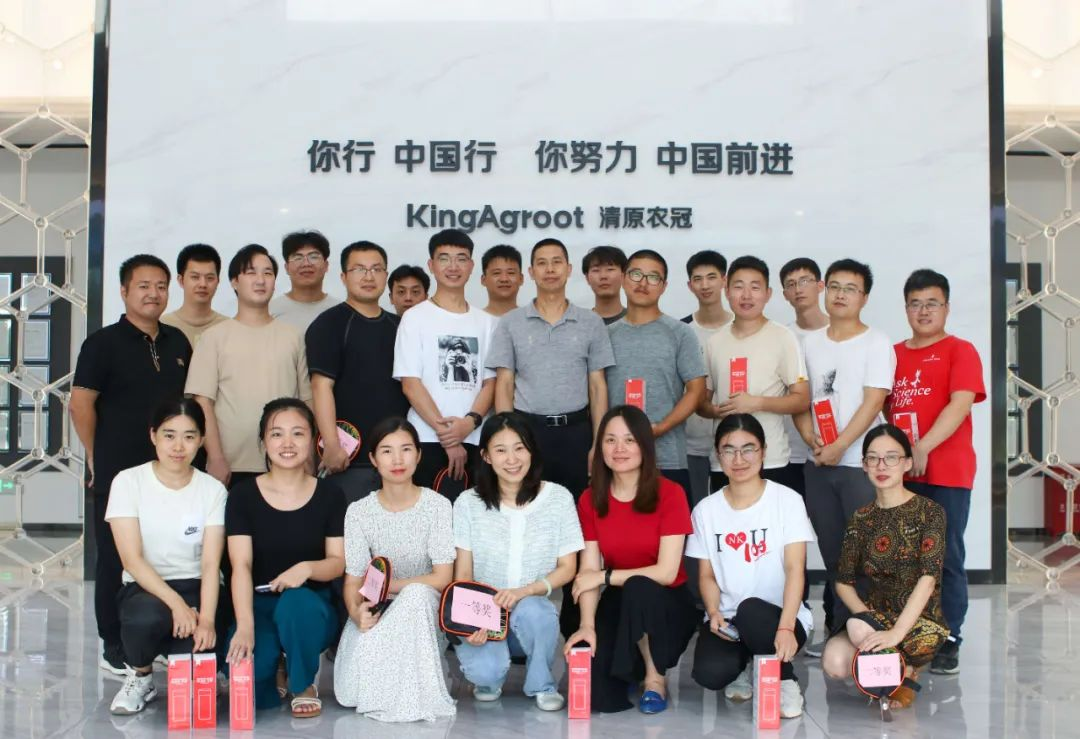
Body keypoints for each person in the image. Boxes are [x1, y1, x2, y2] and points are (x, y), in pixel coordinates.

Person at [71, 254, 192, 676]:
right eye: (143, 286)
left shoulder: (178, 342)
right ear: (124, 291)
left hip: (170, 474)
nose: (153, 293)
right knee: (114, 559)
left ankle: (153, 640)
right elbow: (80, 404)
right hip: (118, 472)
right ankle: (115, 645)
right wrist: (95, 454)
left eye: (160, 286)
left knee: (161, 555)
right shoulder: (102, 343)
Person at [564, 405, 697, 714]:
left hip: (665, 604)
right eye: (610, 440)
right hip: (620, 600)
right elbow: (588, 571)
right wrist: (587, 626)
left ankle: (654, 678)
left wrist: (605, 576)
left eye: (629, 440)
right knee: (598, 698)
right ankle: (630, 667)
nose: (619, 449)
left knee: (639, 587)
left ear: (644, 446)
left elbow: (666, 572)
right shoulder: (590, 498)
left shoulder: (671, 493)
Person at [453, 412, 583, 710]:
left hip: (530, 607)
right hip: (485, 610)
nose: (512, 459)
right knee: (485, 674)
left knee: (538, 611)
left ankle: (542, 683)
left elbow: (568, 567)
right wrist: (470, 620)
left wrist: (525, 591)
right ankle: (490, 676)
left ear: (532, 451)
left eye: (519, 448)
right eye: (500, 450)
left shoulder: (558, 498)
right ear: (486, 456)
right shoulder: (468, 503)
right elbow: (463, 573)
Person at [687, 413, 813, 719]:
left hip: (779, 617)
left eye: (748, 449)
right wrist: (714, 612)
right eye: (729, 450)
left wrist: (786, 626)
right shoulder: (706, 510)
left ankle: (784, 678)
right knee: (710, 673)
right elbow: (706, 576)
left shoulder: (787, 500)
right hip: (729, 619)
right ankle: (747, 664)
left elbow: (795, 569)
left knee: (752, 611)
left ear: (763, 451)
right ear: (718, 455)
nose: (739, 459)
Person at [890, 269, 985, 674]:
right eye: (916, 303)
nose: (924, 311)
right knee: (903, 558)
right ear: (906, 308)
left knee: (945, 556)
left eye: (932, 303)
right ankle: (908, 631)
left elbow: (960, 404)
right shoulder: (892, 354)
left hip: (947, 473)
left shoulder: (960, 350)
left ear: (946, 307)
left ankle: (948, 637)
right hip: (901, 476)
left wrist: (923, 447)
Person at [225, 398, 345, 717]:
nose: (287, 443)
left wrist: (306, 569)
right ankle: (275, 662)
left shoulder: (330, 495)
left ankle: (302, 682)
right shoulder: (242, 495)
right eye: (277, 434)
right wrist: (245, 625)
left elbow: (337, 562)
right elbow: (241, 565)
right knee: (252, 687)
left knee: (296, 603)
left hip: (310, 608)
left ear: (314, 439)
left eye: (298, 433)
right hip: (257, 605)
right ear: (264, 442)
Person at [106, 398, 226, 714]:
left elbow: (211, 563)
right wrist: (177, 606)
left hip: (197, 586)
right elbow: (132, 560)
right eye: (169, 435)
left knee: (193, 692)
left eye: (189, 436)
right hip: (145, 588)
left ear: (201, 440)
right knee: (145, 617)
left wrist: (206, 620)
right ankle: (141, 675)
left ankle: (193, 665)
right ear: (153, 436)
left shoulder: (213, 490)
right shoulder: (128, 482)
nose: (178, 446)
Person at [794, 258, 894, 638]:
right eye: (834, 286)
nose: (840, 294)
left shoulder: (876, 342)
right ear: (824, 289)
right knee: (834, 554)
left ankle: (873, 635)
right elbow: (799, 398)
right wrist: (811, 438)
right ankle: (840, 632)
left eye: (850, 289)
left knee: (867, 555)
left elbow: (874, 401)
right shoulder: (809, 343)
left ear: (864, 298)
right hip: (819, 463)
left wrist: (841, 445)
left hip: (862, 466)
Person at [333, 417, 457, 721]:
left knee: (416, 594)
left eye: (406, 449)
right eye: (387, 451)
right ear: (374, 459)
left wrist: (390, 585)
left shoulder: (438, 506)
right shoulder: (358, 512)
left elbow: (443, 578)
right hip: (377, 609)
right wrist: (356, 613)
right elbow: (353, 580)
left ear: (419, 455)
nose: (397, 459)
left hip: (424, 609)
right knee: (350, 693)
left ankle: (407, 695)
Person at [821, 424, 948, 710]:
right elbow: (843, 581)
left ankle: (896, 673)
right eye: (873, 458)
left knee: (862, 629)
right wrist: (869, 620)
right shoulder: (861, 518)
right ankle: (894, 671)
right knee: (835, 662)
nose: (881, 466)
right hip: (874, 616)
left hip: (919, 620)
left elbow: (928, 578)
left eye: (891, 457)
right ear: (864, 465)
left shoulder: (930, 512)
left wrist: (896, 633)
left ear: (907, 463)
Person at [489, 238, 613, 499]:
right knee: (526, 504)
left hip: (577, 433)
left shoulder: (591, 322)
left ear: (569, 269)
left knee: (578, 507)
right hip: (527, 433)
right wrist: (507, 441)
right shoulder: (510, 322)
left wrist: (598, 442)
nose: (550, 269)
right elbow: (504, 384)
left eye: (556, 262)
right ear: (531, 272)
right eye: (542, 263)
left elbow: (597, 386)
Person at [186, 244, 312, 489]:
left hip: (286, 461)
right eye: (251, 272)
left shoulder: (293, 336)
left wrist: (309, 455)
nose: (260, 280)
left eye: (267, 273)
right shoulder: (214, 337)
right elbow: (203, 402)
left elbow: (307, 400)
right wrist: (216, 457)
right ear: (234, 282)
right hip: (231, 466)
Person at [393, 229, 497, 501]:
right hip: (426, 439)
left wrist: (469, 423)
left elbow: (490, 383)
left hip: (476, 438)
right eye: (444, 258)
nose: (453, 266)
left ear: (471, 266)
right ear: (431, 265)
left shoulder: (487, 322)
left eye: (461, 258)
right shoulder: (414, 318)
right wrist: (448, 436)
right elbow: (410, 384)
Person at [306, 240, 409, 502]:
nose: (369, 277)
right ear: (343, 277)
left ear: (386, 275)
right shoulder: (329, 324)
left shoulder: (401, 326)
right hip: (349, 460)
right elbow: (320, 387)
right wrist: (331, 445)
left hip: (398, 460)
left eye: (376, 269)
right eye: (359, 269)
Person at [698, 256, 809, 493]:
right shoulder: (714, 342)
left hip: (771, 459)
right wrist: (715, 410)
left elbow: (801, 399)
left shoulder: (783, 337)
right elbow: (701, 403)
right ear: (727, 291)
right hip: (725, 461)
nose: (746, 295)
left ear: (768, 294)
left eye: (755, 287)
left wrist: (756, 403)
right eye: (739, 287)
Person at [604, 250, 706, 495]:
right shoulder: (605, 335)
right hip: (616, 457)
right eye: (636, 274)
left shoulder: (680, 333)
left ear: (663, 286)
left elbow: (697, 390)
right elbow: (596, 393)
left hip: (667, 457)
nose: (642, 283)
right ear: (623, 278)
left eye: (652, 277)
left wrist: (660, 428)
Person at [681, 250, 732, 508]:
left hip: (734, 442)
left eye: (711, 277)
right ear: (690, 285)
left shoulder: (743, 327)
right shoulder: (681, 331)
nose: (705, 285)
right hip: (690, 444)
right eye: (697, 279)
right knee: (695, 514)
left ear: (724, 280)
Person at [269, 230, 339, 332]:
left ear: (326, 266)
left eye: (313, 257)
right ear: (287, 268)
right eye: (298, 258)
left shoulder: (341, 311)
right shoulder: (270, 311)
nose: (306, 264)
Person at [160, 243, 228, 346]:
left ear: (218, 281)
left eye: (210, 278)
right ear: (181, 280)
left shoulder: (229, 328)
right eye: (195, 277)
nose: (203, 284)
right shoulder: (161, 326)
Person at [582, 245, 628, 325]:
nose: (603, 276)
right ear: (587, 278)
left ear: (623, 276)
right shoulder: (576, 325)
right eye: (596, 270)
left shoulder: (640, 322)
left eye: (610, 269)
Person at [480, 244, 524, 317]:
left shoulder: (533, 321)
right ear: (483, 280)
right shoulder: (474, 320)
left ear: (521, 279)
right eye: (496, 273)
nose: (504, 279)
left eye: (511, 273)